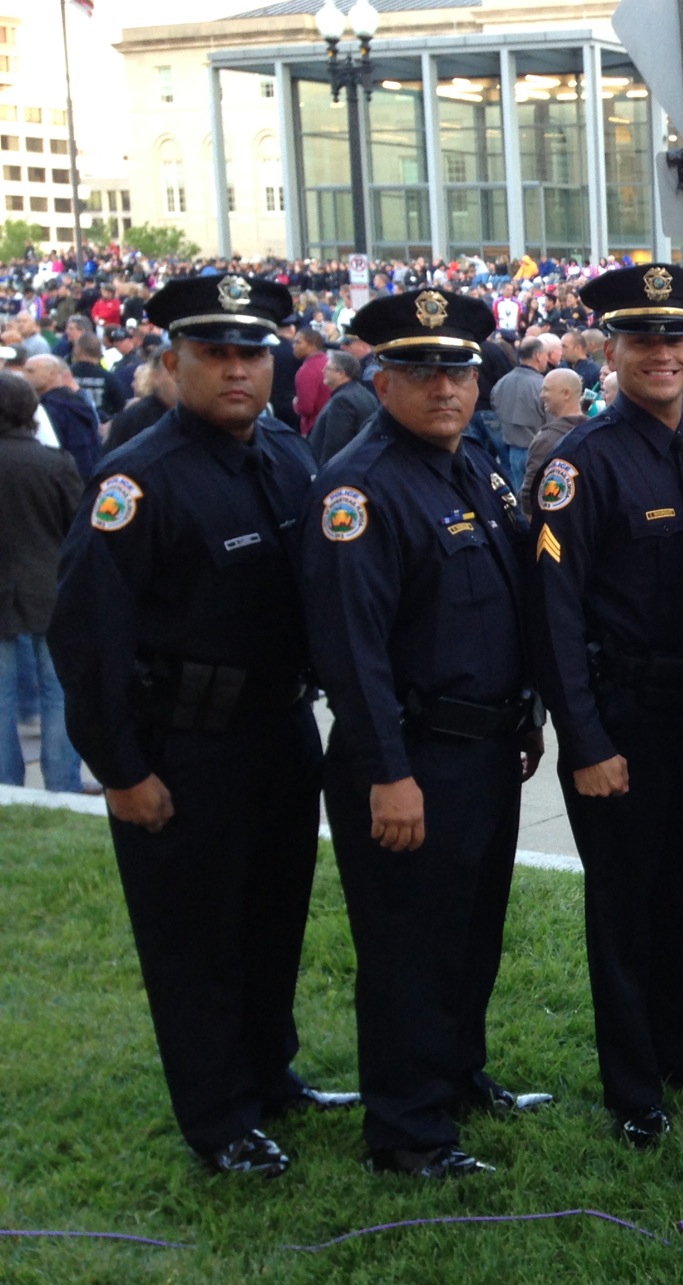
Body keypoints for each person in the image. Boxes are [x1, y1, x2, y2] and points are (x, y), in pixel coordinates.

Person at [47, 273, 356, 1181]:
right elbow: (86, 636)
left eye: (250, 353)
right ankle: (217, 1115)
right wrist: (120, 768)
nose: (235, 371)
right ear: (172, 361)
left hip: (276, 733)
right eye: (213, 353)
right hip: (183, 749)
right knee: (196, 937)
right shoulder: (137, 482)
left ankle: (269, 1076)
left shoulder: (288, 460)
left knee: (270, 919)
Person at [300, 289, 551, 1179]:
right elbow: (353, 652)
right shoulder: (359, 488)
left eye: (459, 370)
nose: (446, 388)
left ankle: (454, 1074)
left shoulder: (468, 466)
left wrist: (522, 714)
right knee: (409, 946)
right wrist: (386, 771)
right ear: (385, 375)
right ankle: (407, 1128)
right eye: (423, 371)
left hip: (481, 751)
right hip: (412, 757)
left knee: (470, 931)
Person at [526, 264, 683, 1149]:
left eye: (674, 338)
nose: (661, 353)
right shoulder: (579, 464)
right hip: (618, 718)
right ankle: (633, 1083)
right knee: (624, 907)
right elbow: (551, 616)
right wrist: (583, 739)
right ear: (611, 353)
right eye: (642, 340)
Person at [0, 371, 84, 793]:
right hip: (50, 587)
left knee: (2, 699)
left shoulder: (53, 463)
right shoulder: (56, 464)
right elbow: (80, 532)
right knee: (59, 695)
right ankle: (62, 783)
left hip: (13, 587)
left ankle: (6, 785)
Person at [518, 367, 588, 511]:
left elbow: (530, 493)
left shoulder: (547, 440)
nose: (542, 395)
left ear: (566, 394)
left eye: (547, 390)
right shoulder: (594, 433)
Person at [24, 354, 99, 481]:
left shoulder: (50, 408)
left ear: (52, 374)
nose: (25, 376)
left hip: (62, 477)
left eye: (31, 371)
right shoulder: (79, 403)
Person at [491, 335, 549, 487]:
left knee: (520, 497)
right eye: (545, 355)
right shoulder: (542, 385)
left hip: (514, 451)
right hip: (537, 451)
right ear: (538, 356)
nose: (547, 360)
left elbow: (495, 405)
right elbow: (552, 419)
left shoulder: (503, 382)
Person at [307, 350, 381, 465]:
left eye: (328, 368)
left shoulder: (342, 400)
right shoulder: (363, 393)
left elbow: (335, 444)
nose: (323, 371)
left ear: (341, 373)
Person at [103, 347, 176, 453]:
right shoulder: (134, 418)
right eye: (173, 371)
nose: (181, 378)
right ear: (155, 376)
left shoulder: (198, 417)